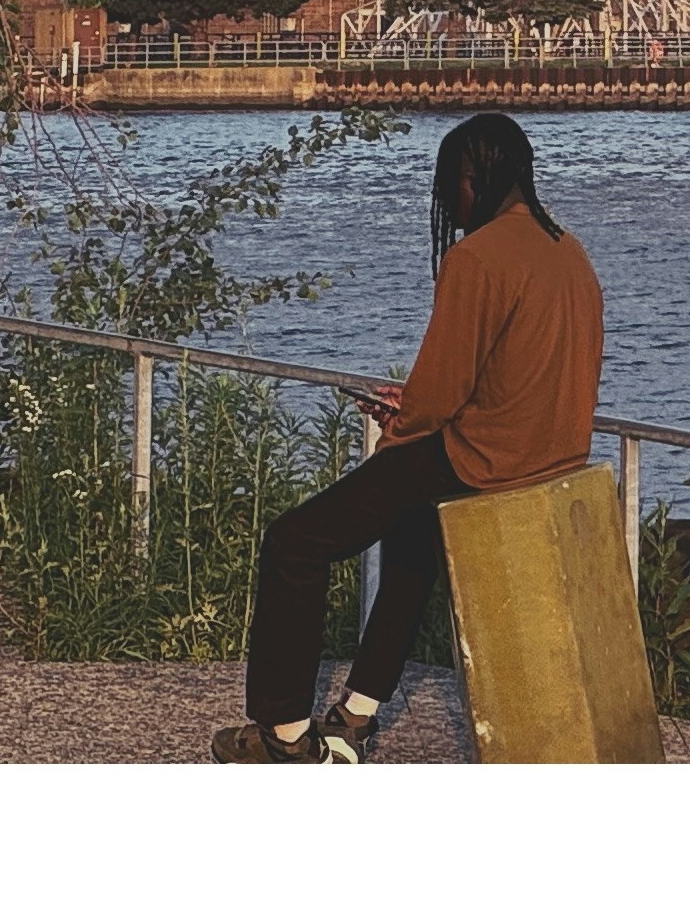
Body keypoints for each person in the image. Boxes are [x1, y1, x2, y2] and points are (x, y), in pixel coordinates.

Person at [213, 111, 607, 762]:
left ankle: (284, 734)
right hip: (550, 454)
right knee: (411, 540)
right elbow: (523, 371)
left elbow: (441, 388)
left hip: (482, 458)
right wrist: (428, 411)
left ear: (473, 177)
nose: (449, 202)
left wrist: (404, 422)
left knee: (294, 544)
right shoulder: (566, 247)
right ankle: (357, 716)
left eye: (451, 184)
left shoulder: (477, 256)